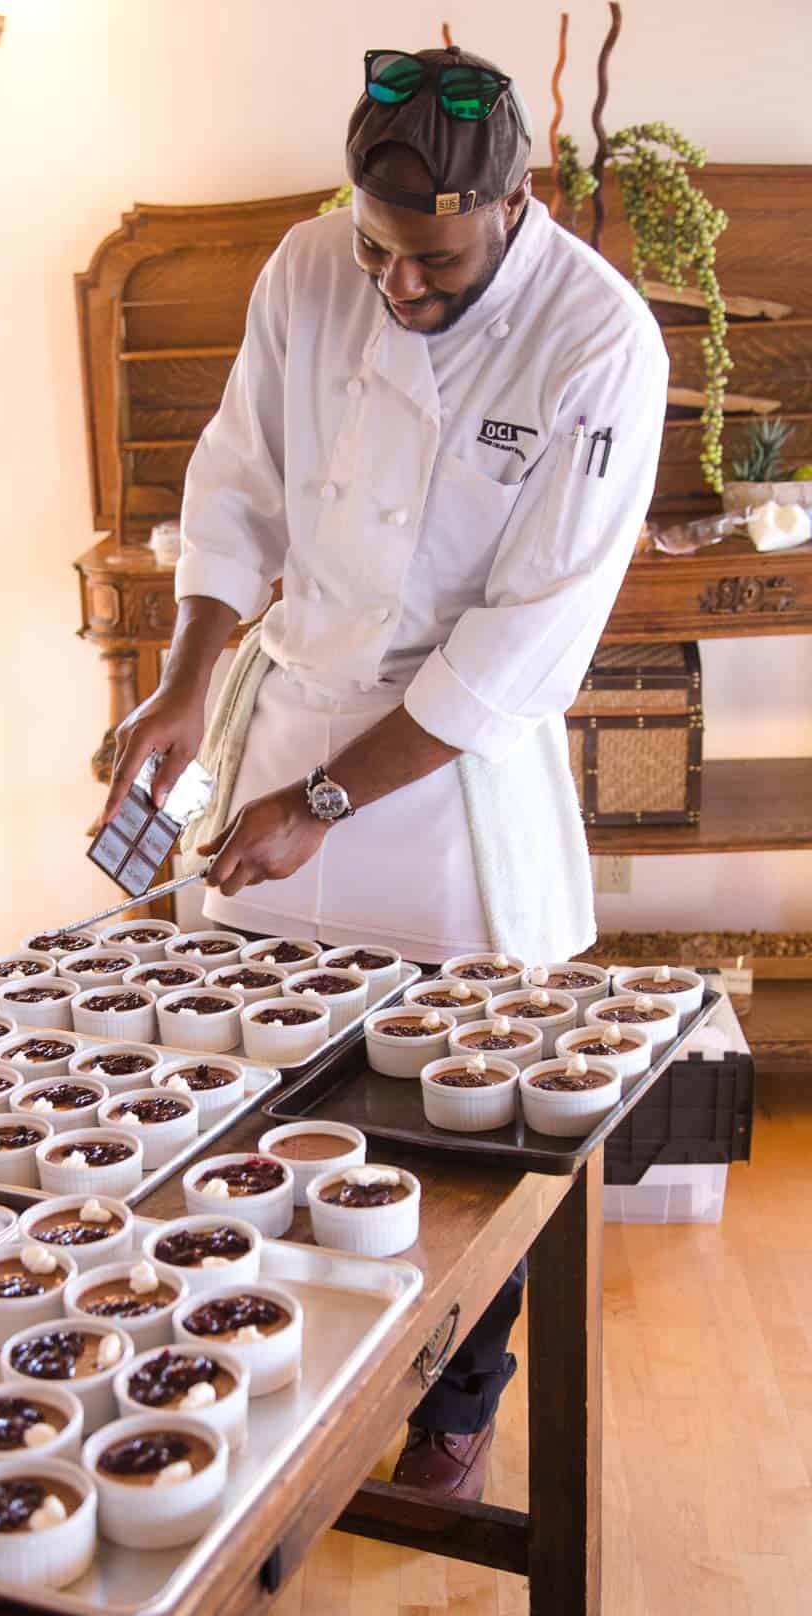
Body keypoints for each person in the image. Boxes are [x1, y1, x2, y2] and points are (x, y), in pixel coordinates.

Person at [101, 44, 668, 1497]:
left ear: (517, 198)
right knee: (259, 1088)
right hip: (294, 717)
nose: (397, 287)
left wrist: (326, 805)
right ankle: (273, 1360)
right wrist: (187, 679)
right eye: (377, 252)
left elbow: (518, 645)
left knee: (465, 1123)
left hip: (452, 777)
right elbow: (237, 488)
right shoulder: (305, 268)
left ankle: (456, 1400)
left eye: (433, 261)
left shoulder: (597, 342)